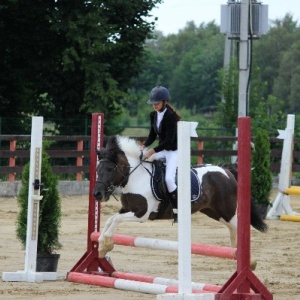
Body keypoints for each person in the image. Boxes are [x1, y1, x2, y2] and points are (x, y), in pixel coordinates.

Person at [142, 86, 181, 222]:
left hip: (173, 151)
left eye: (157, 103)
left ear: (165, 101)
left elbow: (168, 142)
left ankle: (177, 210)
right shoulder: (153, 115)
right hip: (162, 149)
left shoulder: (170, 117)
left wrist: (152, 151)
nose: (154, 105)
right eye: (153, 103)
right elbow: (152, 135)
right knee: (144, 163)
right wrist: (144, 145)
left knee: (169, 179)